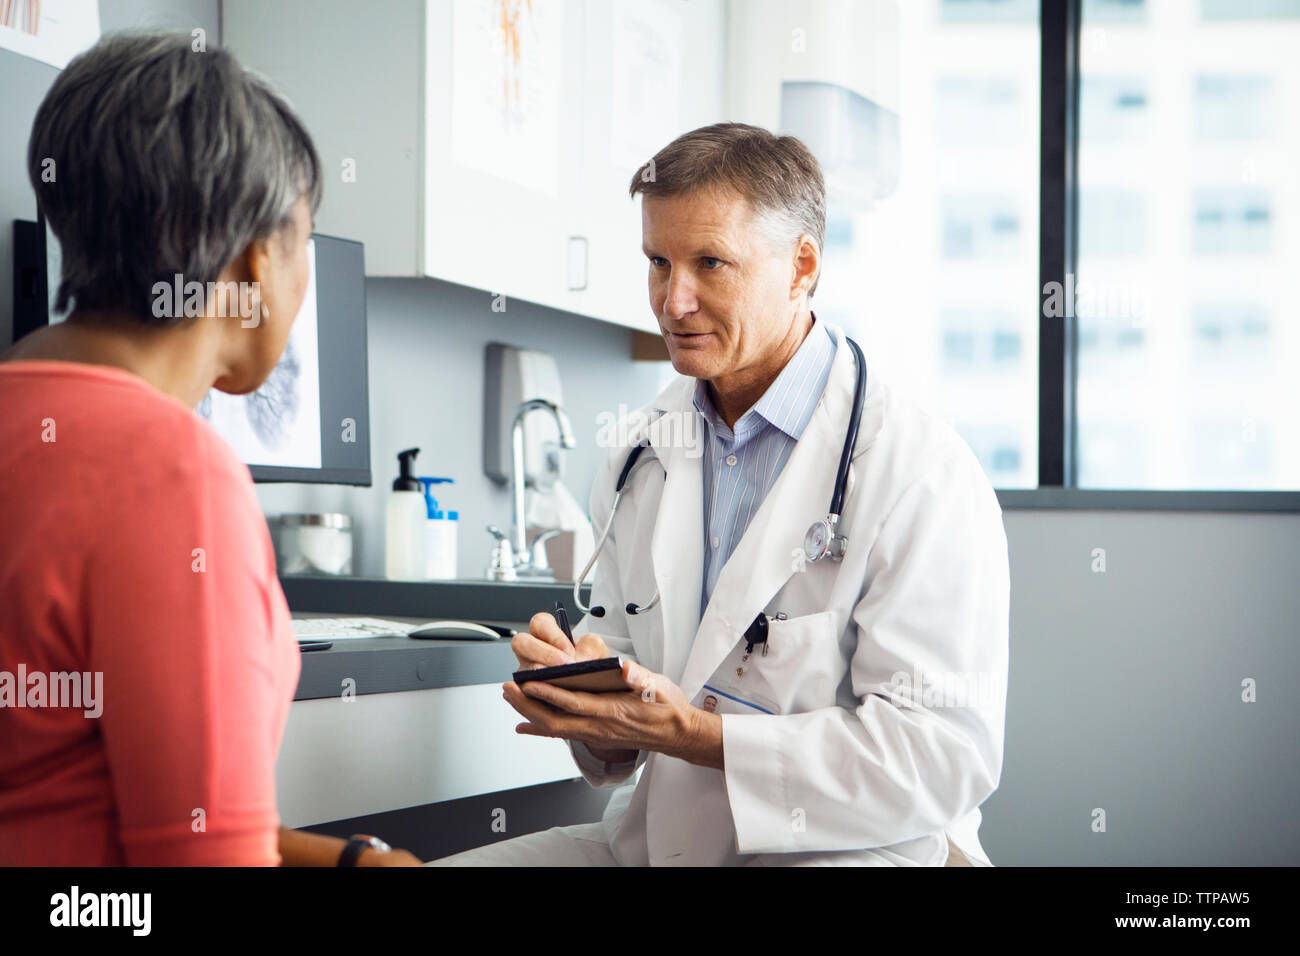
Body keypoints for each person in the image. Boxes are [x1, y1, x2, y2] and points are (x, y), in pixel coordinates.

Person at [431, 123, 1010, 867]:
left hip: (851, 853)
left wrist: (701, 737)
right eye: (657, 262)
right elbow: (631, 714)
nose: (674, 301)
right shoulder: (641, 448)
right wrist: (586, 708)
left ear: (801, 266)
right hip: (658, 841)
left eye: (711, 263)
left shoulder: (921, 472)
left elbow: (939, 757)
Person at [0, 33, 416, 866]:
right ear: (255, 258)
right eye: (306, 240)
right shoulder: (171, 471)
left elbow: (65, 791)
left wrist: (346, 860)